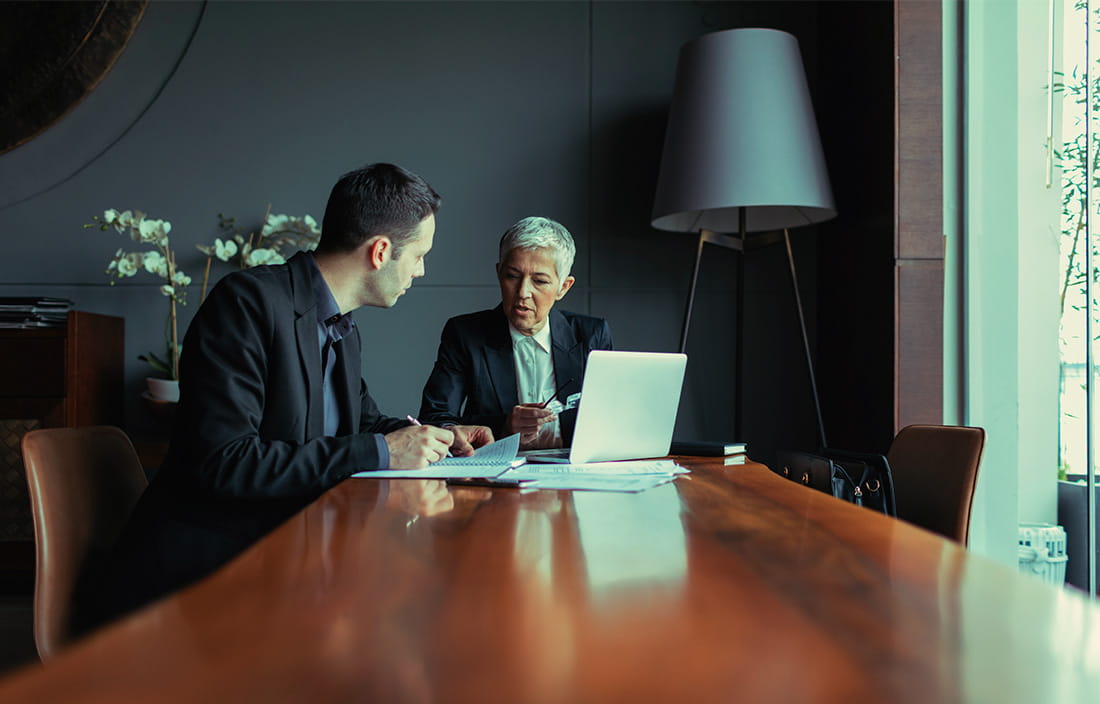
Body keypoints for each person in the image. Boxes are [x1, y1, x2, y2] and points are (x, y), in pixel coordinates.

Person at [84, 163, 492, 629]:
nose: (421, 270)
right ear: (381, 251)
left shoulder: (342, 326)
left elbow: (362, 422)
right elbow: (225, 461)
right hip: (204, 579)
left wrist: (437, 436)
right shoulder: (246, 305)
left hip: (285, 559)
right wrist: (382, 450)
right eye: (419, 255)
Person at [419, 216, 613, 450]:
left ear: (563, 287)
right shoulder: (465, 334)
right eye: (512, 276)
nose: (523, 292)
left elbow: (609, 419)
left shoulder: (591, 335)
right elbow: (436, 419)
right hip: (495, 472)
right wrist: (504, 427)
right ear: (499, 273)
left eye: (539, 281)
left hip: (572, 470)